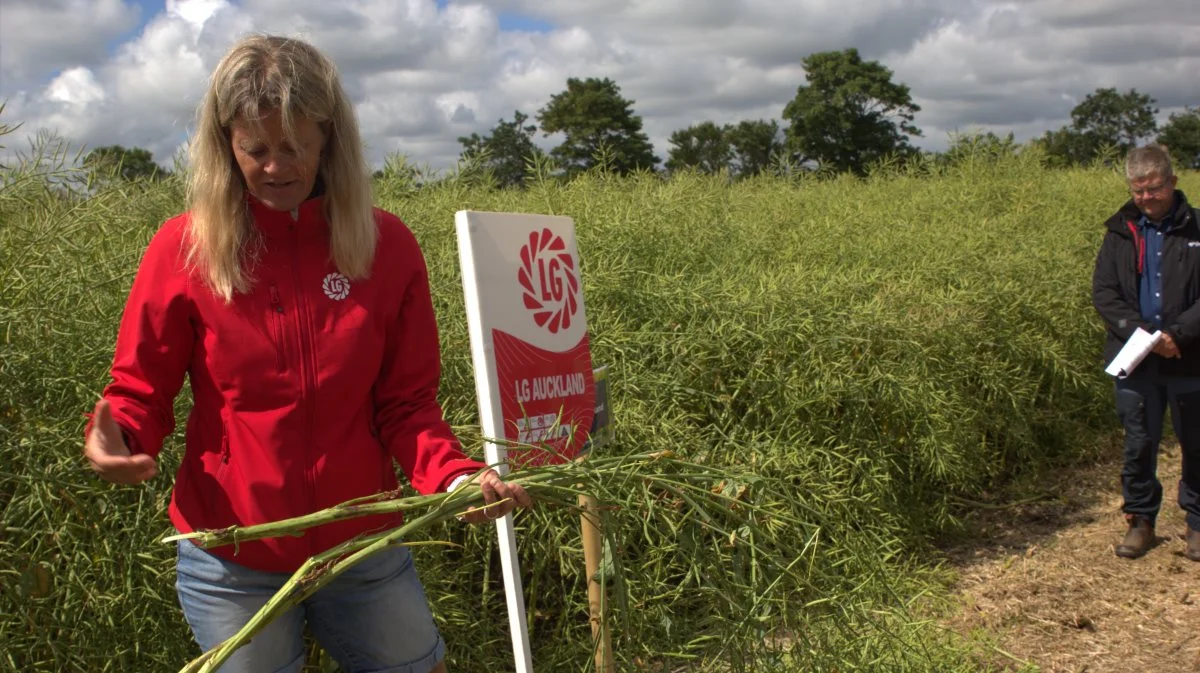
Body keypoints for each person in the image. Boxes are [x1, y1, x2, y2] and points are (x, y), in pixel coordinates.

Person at [81, 34, 531, 673]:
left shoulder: (386, 246)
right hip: (232, 553)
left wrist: (454, 477)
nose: (275, 166)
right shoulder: (185, 250)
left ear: (329, 140)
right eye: (254, 148)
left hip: (364, 545)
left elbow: (407, 405)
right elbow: (139, 388)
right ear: (224, 145)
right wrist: (120, 435)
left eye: (294, 145)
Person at [1093, 143, 1200, 561]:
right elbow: (1104, 293)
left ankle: (1196, 523)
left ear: (1173, 181)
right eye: (1138, 191)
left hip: (1190, 357)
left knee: (1196, 441)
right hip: (1135, 358)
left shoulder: (1197, 230)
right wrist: (1143, 335)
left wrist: (1179, 335)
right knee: (1139, 441)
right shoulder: (1120, 231)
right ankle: (1140, 520)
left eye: (1153, 189)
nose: (1145, 198)